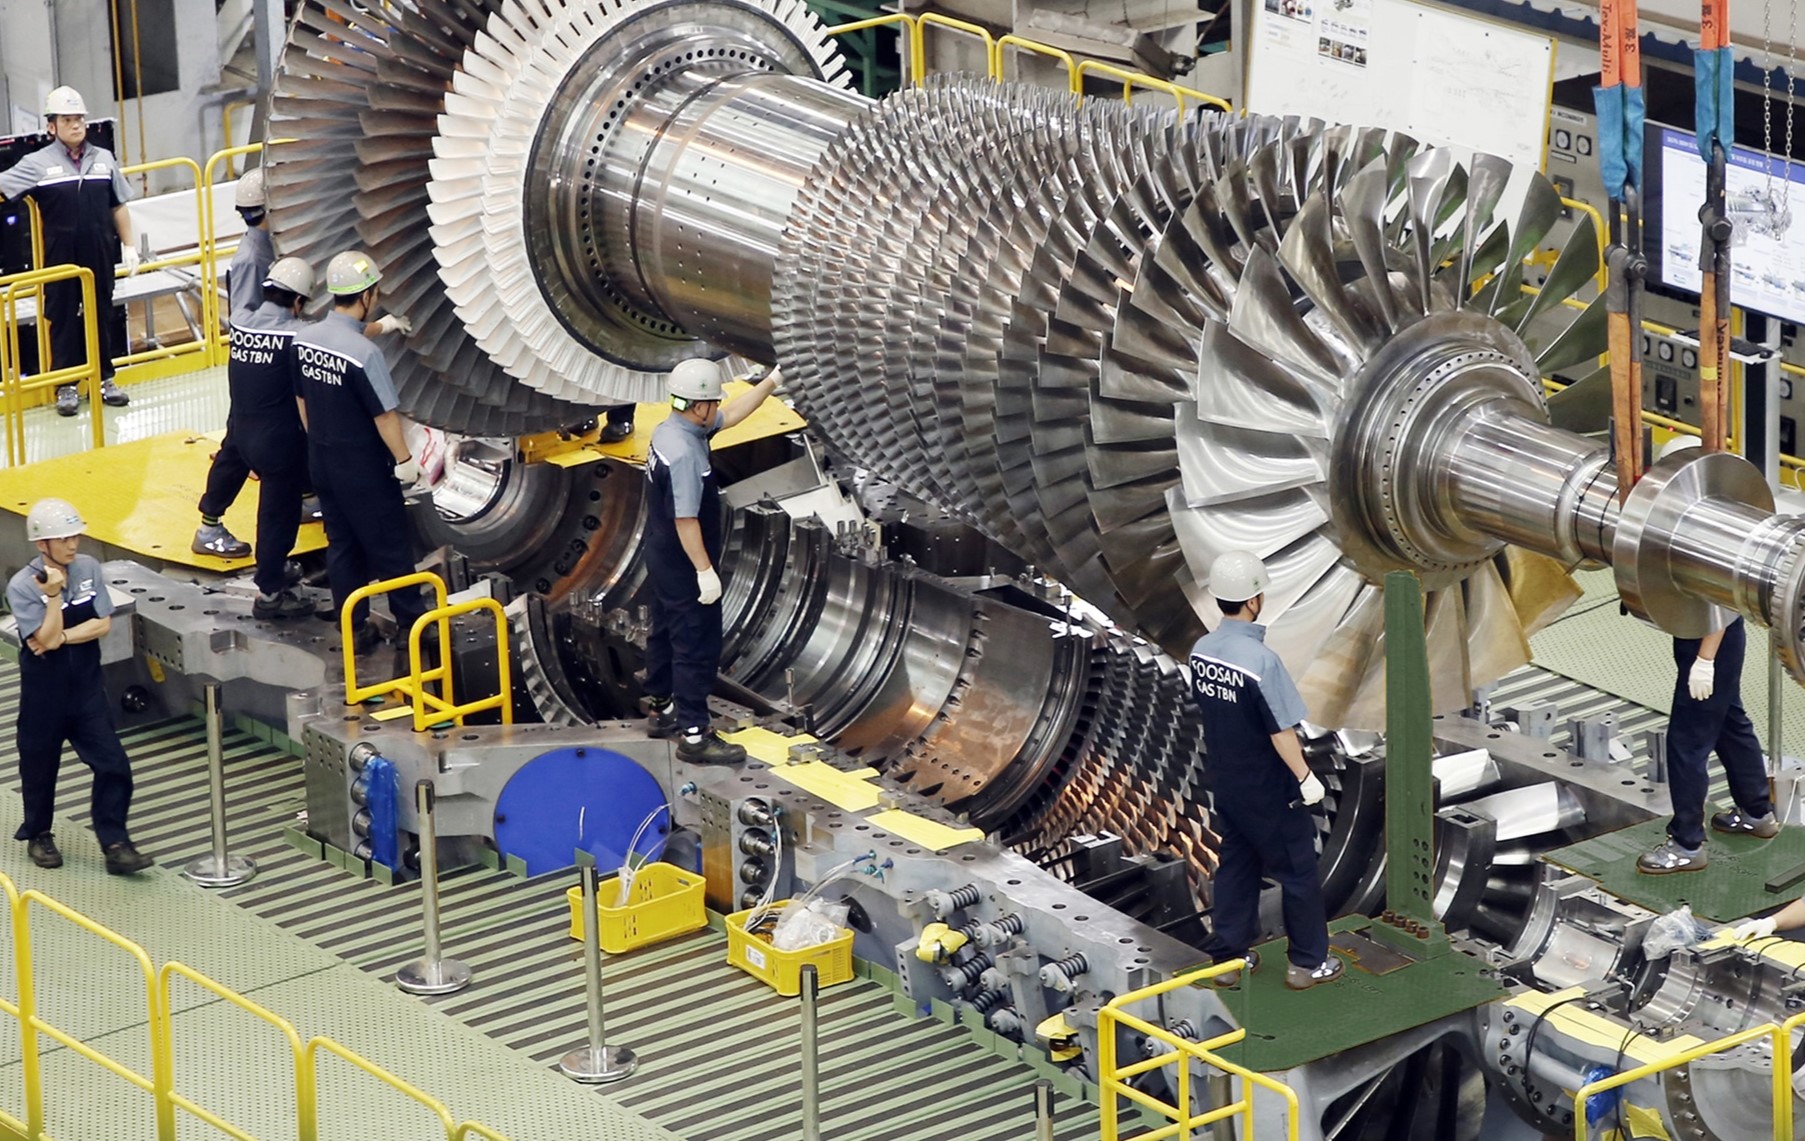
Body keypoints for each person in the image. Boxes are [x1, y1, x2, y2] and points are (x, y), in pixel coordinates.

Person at [1190, 550, 1343, 990]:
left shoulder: (1201, 652)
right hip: (1269, 787)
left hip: (1227, 782)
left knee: (1236, 866)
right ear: (1254, 600)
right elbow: (1281, 730)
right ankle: (1308, 964)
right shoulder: (1260, 661)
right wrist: (1305, 778)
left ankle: (1229, 959)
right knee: (1297, 872)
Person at [1638, 437, 1780, 874]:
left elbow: (1722, 601)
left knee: (1687, 742)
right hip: (1706, 640)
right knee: (1730, 724)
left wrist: (1705, 661)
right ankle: (1757, 812)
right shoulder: (1702, 516)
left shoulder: (1708, 528)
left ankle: (1686, 844)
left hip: (1711, 642)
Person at [642, 358, 779, 764]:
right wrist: (704, 572)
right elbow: (686, 520)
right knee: (695, 644)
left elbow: (732, 415)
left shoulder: (671, 430)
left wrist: (772, 382)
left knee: (663, 632)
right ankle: (695, 735)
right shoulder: (685, 453)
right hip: (684, 561)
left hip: (661, 553)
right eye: (712, 402)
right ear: (698, 405)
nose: (717, 407)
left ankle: (662, 708)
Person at [5, 499, 152, 874]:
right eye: (63, 539)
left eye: (75, 536)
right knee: (38, 768)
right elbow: (44, 638)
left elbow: (101, 624)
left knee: (114, 765)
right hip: (44, 695)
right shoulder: (22, 587)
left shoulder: (88, 568)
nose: (73, 545)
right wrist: (54, 597)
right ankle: (39, 834)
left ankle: (116, 844)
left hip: (86, 691)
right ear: (42, 544)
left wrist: (63, 636)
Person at [292, 250, 420, 652]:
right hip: (363, 468)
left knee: (342, 544)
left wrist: (320, 439)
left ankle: (355, 628)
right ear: (367, 295)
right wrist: (405, 461)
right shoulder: (366, 356)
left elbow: (301, 400)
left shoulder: (304, 339)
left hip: (321, 460)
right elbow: (385, 416)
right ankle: (412, 629)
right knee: (391, 546)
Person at [0, 86, 137, 417]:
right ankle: (66, 386)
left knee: (101, 313)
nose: (76, 125)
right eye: (67, 120)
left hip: (99, 252)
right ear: (52, 126)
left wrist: (130, 246)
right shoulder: (37, 164)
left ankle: (104, 379)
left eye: (79, 119)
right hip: (60, 256)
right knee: (61, 316)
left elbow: (118, 204)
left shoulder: (103, 159)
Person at [193, 166, 275, 559]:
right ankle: (209, 525)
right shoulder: (252, 259)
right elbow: (245, 320)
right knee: (240, 443)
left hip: (265, 361)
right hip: (255, 365)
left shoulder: (267, 247)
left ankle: (306, 496)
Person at [229, 256, 315, 620]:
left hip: (242, 436)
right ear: (298, 301)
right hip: (277, 444)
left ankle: (275, 569)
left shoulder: (239, 321)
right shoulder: (295, 335)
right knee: (278, 516)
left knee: (275, 510)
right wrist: (384, 326)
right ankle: (269, 593)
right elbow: (338, 338)